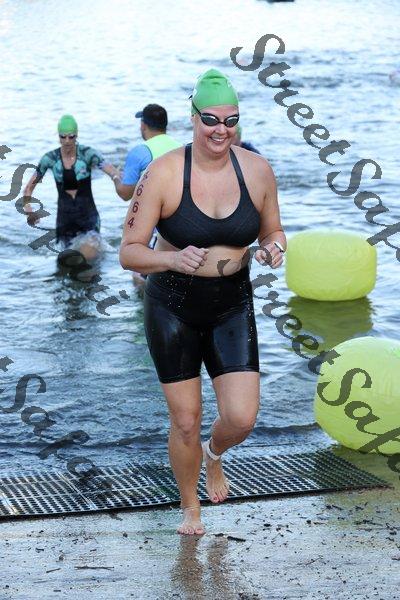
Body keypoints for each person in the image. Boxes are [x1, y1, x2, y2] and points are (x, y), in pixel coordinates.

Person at [119, 69, 286, 536]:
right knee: (186, 420)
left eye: (230, 120)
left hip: (231, 303)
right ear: (193, 118)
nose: (220, 129)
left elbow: (273, 230)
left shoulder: (257, 170)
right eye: (210, 118)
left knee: (241, 417)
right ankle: (190, 505)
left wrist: (274, 247)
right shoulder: (164, 172)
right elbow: (129, 252)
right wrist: (171, 259)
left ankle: (214, 455)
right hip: (172, 305)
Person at [23, 114, 121, 266]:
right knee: (67, 265)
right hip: (65, 222)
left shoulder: (88, 154)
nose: (67, 141)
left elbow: (113, 172)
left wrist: (117, 180)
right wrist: (29, 210)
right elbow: (28, 189)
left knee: (89, 257)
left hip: (89, 219)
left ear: (77, 135)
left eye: (71, 136)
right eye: (63, 137)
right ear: (59, 136)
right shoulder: (50, 159)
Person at [113, 104, 181, 288]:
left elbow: (125, 194)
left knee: (140, 278)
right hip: (180, 224)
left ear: (143, 125)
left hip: (155, 226)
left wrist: (115, 177)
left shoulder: (140, 152)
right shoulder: (182, 148)